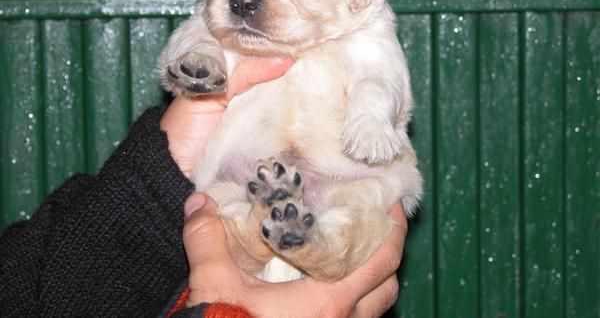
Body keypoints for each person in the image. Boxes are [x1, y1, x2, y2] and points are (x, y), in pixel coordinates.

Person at [0, 56, 407, 317]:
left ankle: (310, 244)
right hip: (245, 197)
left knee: (361, 208)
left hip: (330, 188)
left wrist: (158, 180)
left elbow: (34, 282)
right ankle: (271, 237)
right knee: (235, 216)